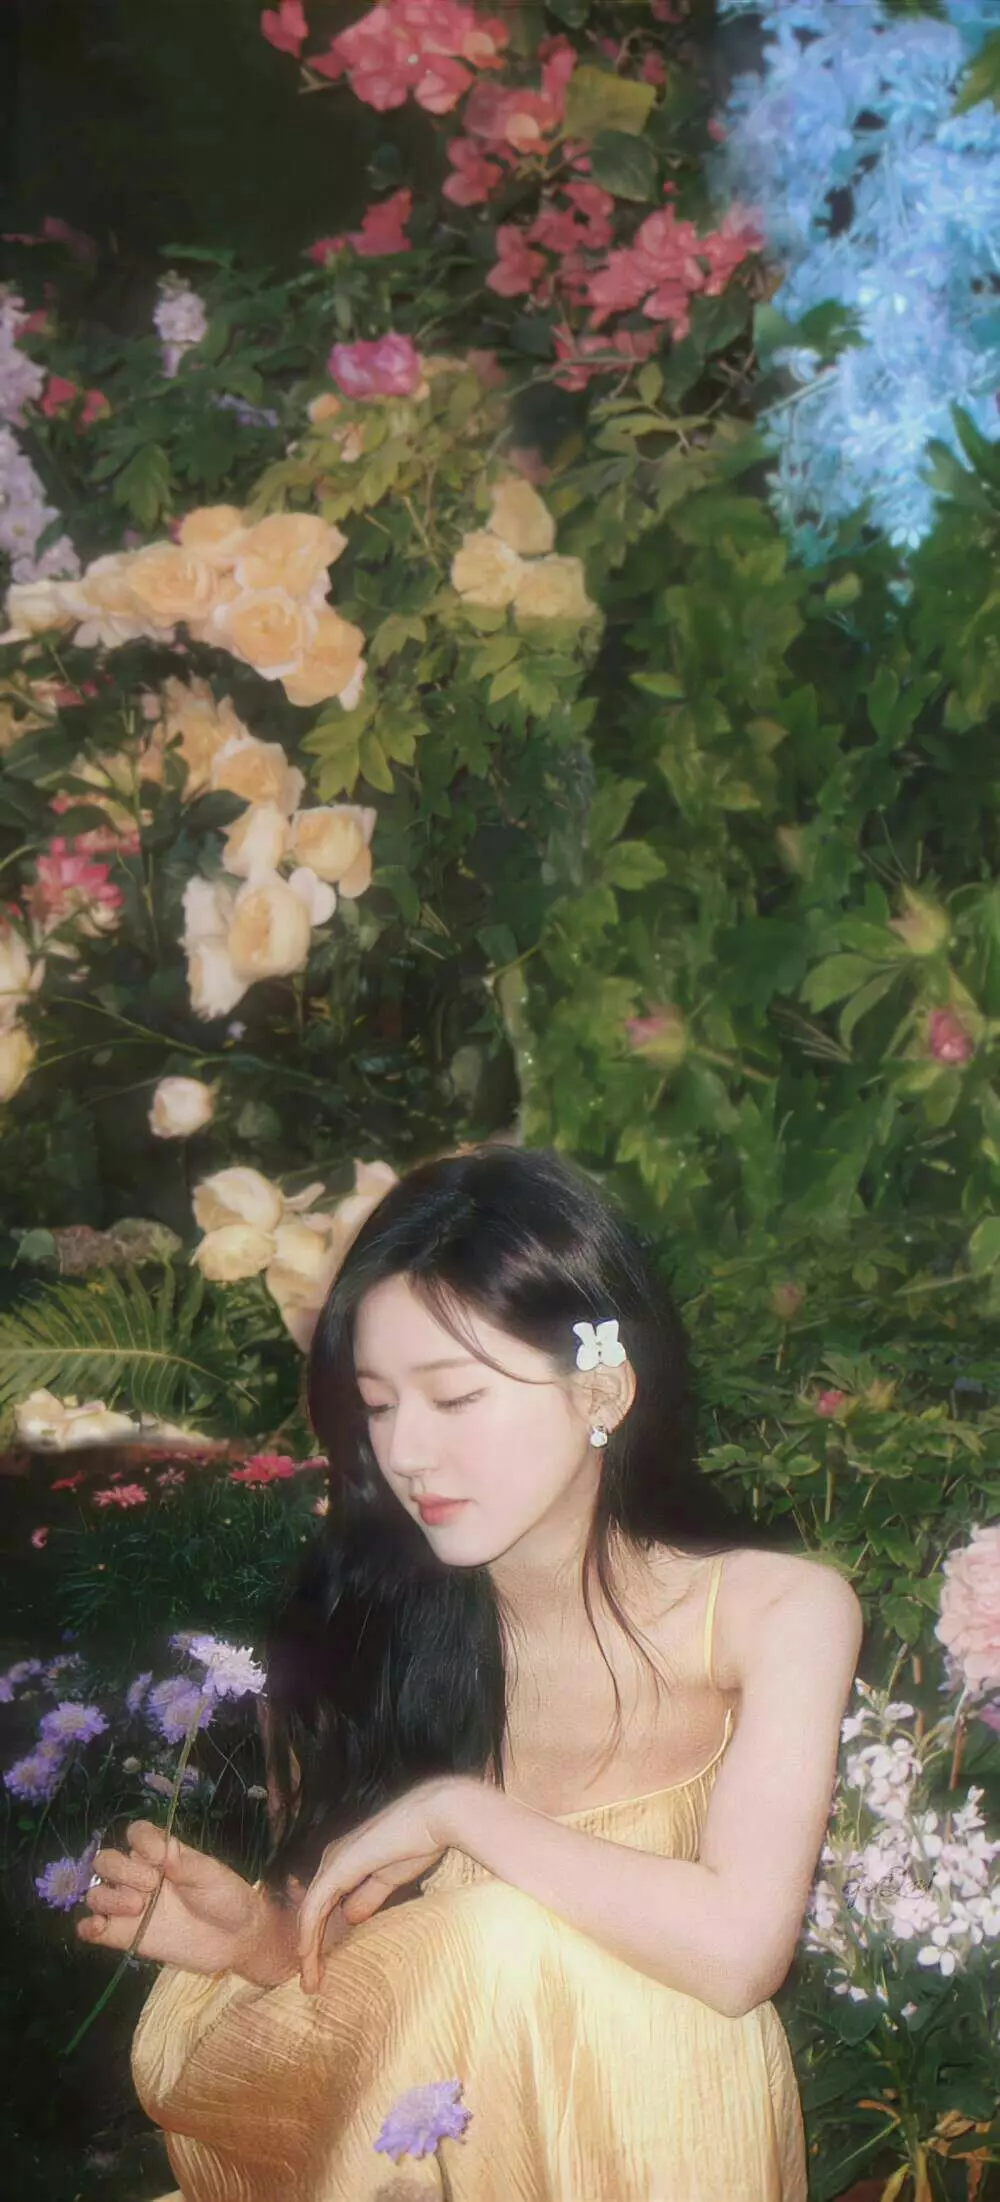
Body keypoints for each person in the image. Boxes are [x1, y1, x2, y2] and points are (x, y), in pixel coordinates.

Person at [78, 1145, 864, 2201]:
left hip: (652, 2142)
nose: (405, 1453)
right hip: (431, 2162)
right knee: (490, 1943)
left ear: (601, 1389)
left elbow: (736, 1955)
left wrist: (460, 1813)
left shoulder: (776, 1615)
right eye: (378, 1405)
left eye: (453, 1399)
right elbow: (406, 2004)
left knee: (508, 1935)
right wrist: (259, 1942)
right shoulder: (365, 1637)